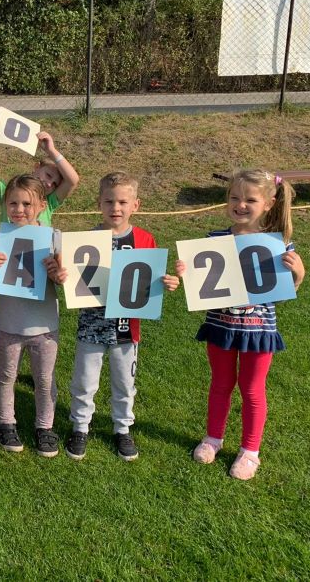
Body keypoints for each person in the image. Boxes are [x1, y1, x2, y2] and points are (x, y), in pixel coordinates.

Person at [175, 169, 305, 481]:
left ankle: (250, 451)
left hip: (259, 331)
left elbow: (283, 293)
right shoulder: (214, 240)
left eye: (250, 200)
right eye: (234, 198)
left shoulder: (278, 244)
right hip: (220, 326)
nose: (240, 205)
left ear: (269, 203)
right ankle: (213, 438)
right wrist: (185, 271)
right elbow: (201, 285)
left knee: (252, 389)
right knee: (220, 384)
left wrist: (299, 274)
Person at [63, 172, 180, 462]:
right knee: (84, 381)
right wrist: (63, 275)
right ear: (98, 204)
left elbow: (149, 280)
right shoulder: (86, 240)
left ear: (135, 205)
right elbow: (73, 280)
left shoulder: (145, 239)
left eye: (122, 202)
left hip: (127, 327)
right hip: (91, 324)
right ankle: (80, 426)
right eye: (109, 201)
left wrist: (167, 283)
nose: (115, 208)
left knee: (125, 383)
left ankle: (123, 428)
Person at [0, 174, 67, 458]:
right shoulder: (0, 237)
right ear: (5, 205)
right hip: (9, 322)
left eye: (26, 204)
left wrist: (56, 274)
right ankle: (6, 423)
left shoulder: (53, 237)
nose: (19, 209)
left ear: (42, 205)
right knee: (6, 376)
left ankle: (45, 427)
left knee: (44, 379)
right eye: (13, 203)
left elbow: (64, 281)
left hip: (44, 324)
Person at [0, 120, 79, 226]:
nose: (49, 184)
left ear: (42, 206)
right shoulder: (8, 193)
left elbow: (72, 180)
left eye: (55, 184)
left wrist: (51, 150)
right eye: (48, 175)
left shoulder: (49, 202)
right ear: (37, 167)